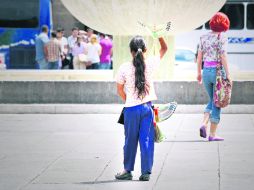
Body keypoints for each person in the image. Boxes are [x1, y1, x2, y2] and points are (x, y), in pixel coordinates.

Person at [115, 36, 167, 181]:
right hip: (146, 109)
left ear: (131, 51)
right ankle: (146, 172)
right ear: (145, 50)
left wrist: (130, 101)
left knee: (130, 140)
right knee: (146, 140)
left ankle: (127, 171)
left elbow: (119, 90)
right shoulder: (150, 63)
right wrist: (159, 36)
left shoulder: (124, 67)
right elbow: (164, 49)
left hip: (130, 110)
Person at [197, 12, 231, 141]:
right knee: (218, 102)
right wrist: (228, 74)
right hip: (218, 72)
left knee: (212, 99)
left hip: (206, 71)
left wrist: (198, 73)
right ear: (224, 24)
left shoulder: (203, 36)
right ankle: (212, 134)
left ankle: (203, 123)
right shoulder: (222, 37)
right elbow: (223, 56)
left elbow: (199, 58)